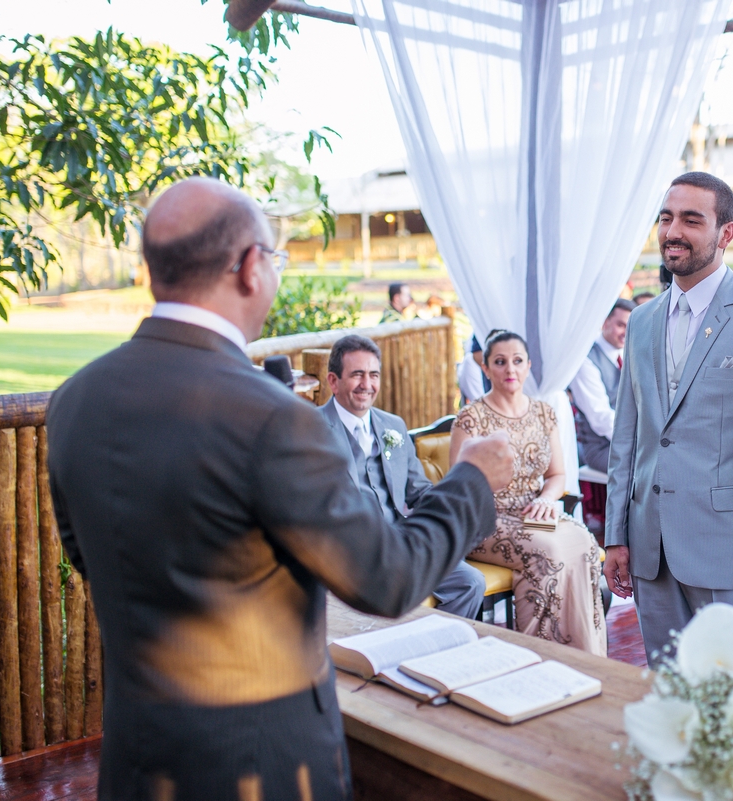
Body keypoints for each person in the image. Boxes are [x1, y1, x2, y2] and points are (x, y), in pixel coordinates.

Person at [46, 178, 513, 801]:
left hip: (137, 754)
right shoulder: (274, 418)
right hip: (260, 764)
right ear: (249, 267)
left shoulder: (75, 399)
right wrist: (471, 480)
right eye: (275, 258)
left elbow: (88, 555)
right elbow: (388, 578)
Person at [604, 171, 733, 668]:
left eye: (691, 220)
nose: (673, 231)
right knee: (669, 689)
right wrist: (616, 534)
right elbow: (627, 437)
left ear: (726, 233)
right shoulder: (642, 321)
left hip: (732, 558)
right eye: (666, 218)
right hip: (651, 550)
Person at [450, 330, 608, 656]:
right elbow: (459, 485)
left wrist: (547, 499)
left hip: (535, 511)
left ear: (528, 366)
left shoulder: (543, 413)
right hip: (485, 519)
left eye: (517, 361)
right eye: (500, 362)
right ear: (485, 368)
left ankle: (584, 655)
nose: (510, 368)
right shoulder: (471, 418)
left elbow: (558, 475)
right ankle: (541, 655)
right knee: (547, 551)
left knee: (585, 543)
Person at [320, 334, 486, 619]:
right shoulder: (312, 429)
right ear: (333, 381)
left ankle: (435, 645)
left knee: (470, 582)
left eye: (373, 375)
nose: (367, 384)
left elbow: (419, 490)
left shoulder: (393, 425)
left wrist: (450, 514)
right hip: (351, 550)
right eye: (357, 374)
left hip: (403, 541)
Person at [569, 299, 632, 473]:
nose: (626, 332)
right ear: (605, 322)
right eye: (620, 325)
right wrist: (638, 441)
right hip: (602, 447)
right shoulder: (586, 360)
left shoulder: (629, 352)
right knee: (652, 469)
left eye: (630, 326)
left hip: (632, 440)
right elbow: (600, 417)